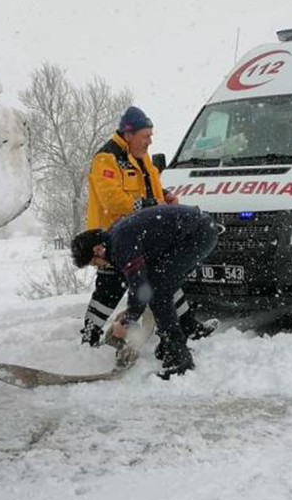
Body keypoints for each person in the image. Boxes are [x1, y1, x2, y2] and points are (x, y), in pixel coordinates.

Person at [79, 105, 216, 347]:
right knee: (108, 290)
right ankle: (89, 337)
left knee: (165, 279)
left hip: (142, 238)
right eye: (145, 136)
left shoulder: (141, 157)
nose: (149, 141)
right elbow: (111, 199)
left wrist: (165, 196)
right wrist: (149, 204)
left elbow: (148, 188)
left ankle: (188, 327)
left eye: (151, 136)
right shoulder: (107, 158)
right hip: (112, 238)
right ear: (128, 134)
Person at [71, 205, 220, 379]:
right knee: (158, 285)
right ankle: (169, 344)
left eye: (94, 263)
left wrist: (127, 321)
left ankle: (179, 358)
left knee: (159, 293)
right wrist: (131, 313)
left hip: (198, 234)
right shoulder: (114, 238)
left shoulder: (121, 245)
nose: (98, 266)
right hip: (194, 229)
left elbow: (140, 288)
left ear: (98, 250)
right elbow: (139, 282)